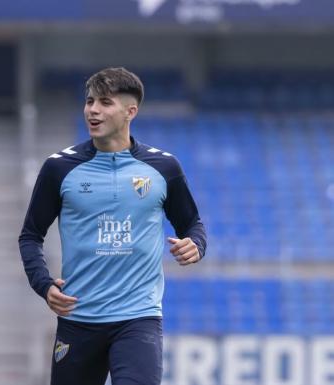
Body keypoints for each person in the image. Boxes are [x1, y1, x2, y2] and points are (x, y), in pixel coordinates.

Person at [18, 67, 206, 385]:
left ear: (130, 111)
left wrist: (195, 245)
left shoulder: (164, 167)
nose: (93, 110)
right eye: (90, 101)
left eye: (105, 102)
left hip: (138, 318)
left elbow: (192, 224)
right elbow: (30, 235)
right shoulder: (59, 168)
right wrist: (43, 284)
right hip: (78, 318)